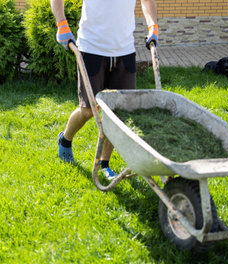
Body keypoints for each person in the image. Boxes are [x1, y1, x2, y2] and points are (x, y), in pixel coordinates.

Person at [51, 0, 158, 180]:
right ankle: (65, 139)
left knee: (118, 115)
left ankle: (104, 163)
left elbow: (147, 1)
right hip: (91, 48)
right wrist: (61, 24)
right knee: (88, 110)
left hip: (124, 50)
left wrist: (153, 27)